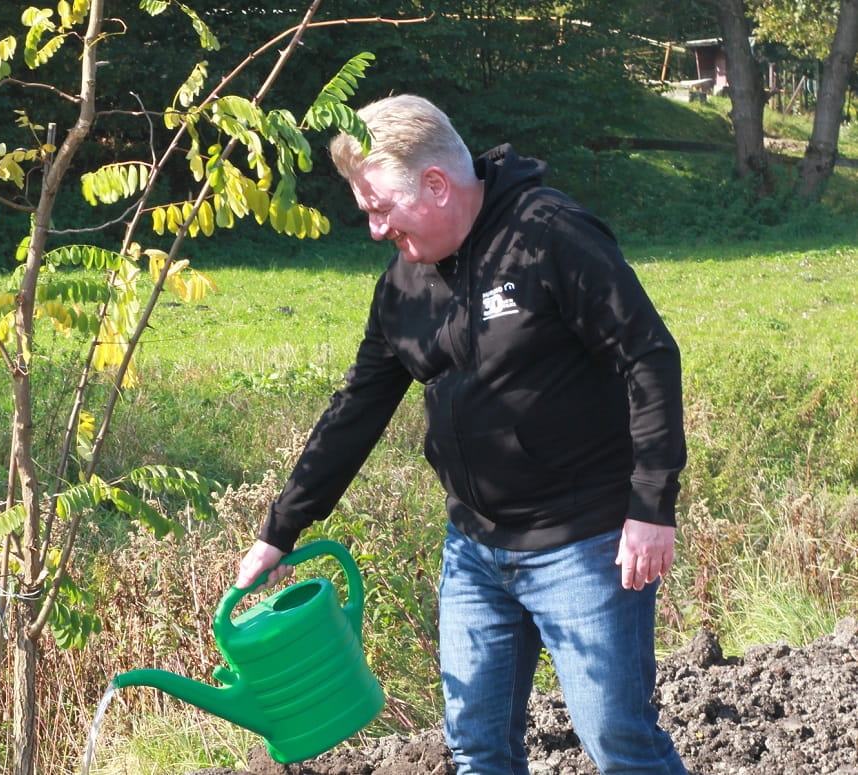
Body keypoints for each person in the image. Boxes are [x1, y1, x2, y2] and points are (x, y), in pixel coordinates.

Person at [234, 94, 688, 775]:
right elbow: (357, 407)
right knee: (476, 746)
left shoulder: (551, 234)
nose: (375, 229)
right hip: (475, 550)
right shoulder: (403, 286)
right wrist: (280, 527)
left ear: (437, 185)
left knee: (616, 740)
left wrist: (651, 505)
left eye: (380, 208)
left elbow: (648, 355)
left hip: (586, 544)